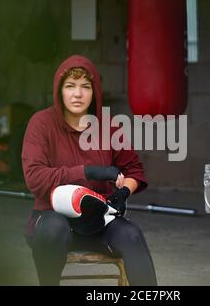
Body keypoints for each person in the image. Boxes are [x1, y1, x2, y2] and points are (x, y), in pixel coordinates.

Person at [22, 55, 157, 286]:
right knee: (54, 228)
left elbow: (134, 170)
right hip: (52, 219)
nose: (77, 94)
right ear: (59, 90)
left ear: (94, 91)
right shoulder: (41, 123)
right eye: (70, 86)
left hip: (98, 221)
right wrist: (90, 172)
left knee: (132, 235)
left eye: (85, 87)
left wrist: (123, 193)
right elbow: (35, 178)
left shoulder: (109, 125)